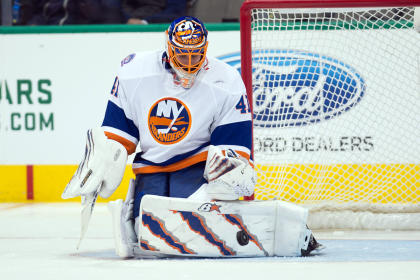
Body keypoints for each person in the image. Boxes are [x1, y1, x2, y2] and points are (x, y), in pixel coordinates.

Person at [62, 16, 322, 258]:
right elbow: (120, 134)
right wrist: (105, 156)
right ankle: (137, 216)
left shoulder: (226, 81)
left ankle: (260, 224)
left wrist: (228, 176)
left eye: (195, 54)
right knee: (149, 230)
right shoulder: (134, 72)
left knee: (199, 211)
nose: (188, 62)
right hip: (150, 170)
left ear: (206, 47)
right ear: (168, 45)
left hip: (197, 169)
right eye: (182, 54)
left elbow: (234, 146)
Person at [17, 0, 124, 25]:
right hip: (46, 36)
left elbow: (95, 14)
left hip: (81, 36)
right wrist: (34, 23)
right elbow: (39, 10)